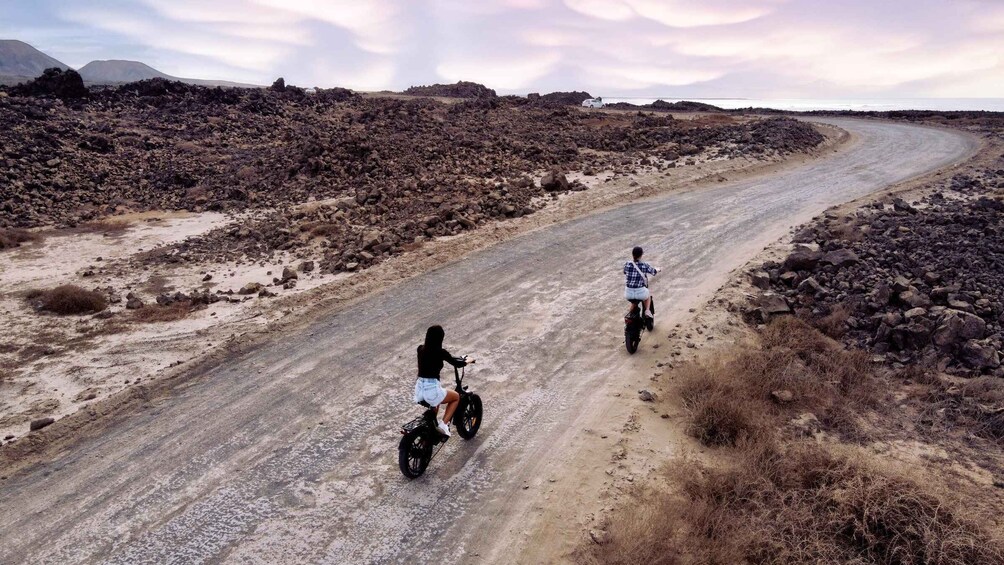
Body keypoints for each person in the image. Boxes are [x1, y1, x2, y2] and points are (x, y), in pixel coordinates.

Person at [414, 325, 467, 437]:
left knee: (435, 402)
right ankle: (443, 425)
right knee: (456, 397)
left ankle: (429, 434)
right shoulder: (440, 352)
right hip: (431, 390)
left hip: (419, 390)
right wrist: (466, 361)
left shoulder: (420, 349)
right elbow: (456, 363)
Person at [624, 246, 658, 319]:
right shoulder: (644, 265)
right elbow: (653, 272)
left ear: (632, 254)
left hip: (628, 294)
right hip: (640, 293)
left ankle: (629, 317)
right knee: (647, 296)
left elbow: (625, 272)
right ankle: (647, 311)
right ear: (641, 255)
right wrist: (658, 269)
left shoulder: (627, 264)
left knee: (634, 302)